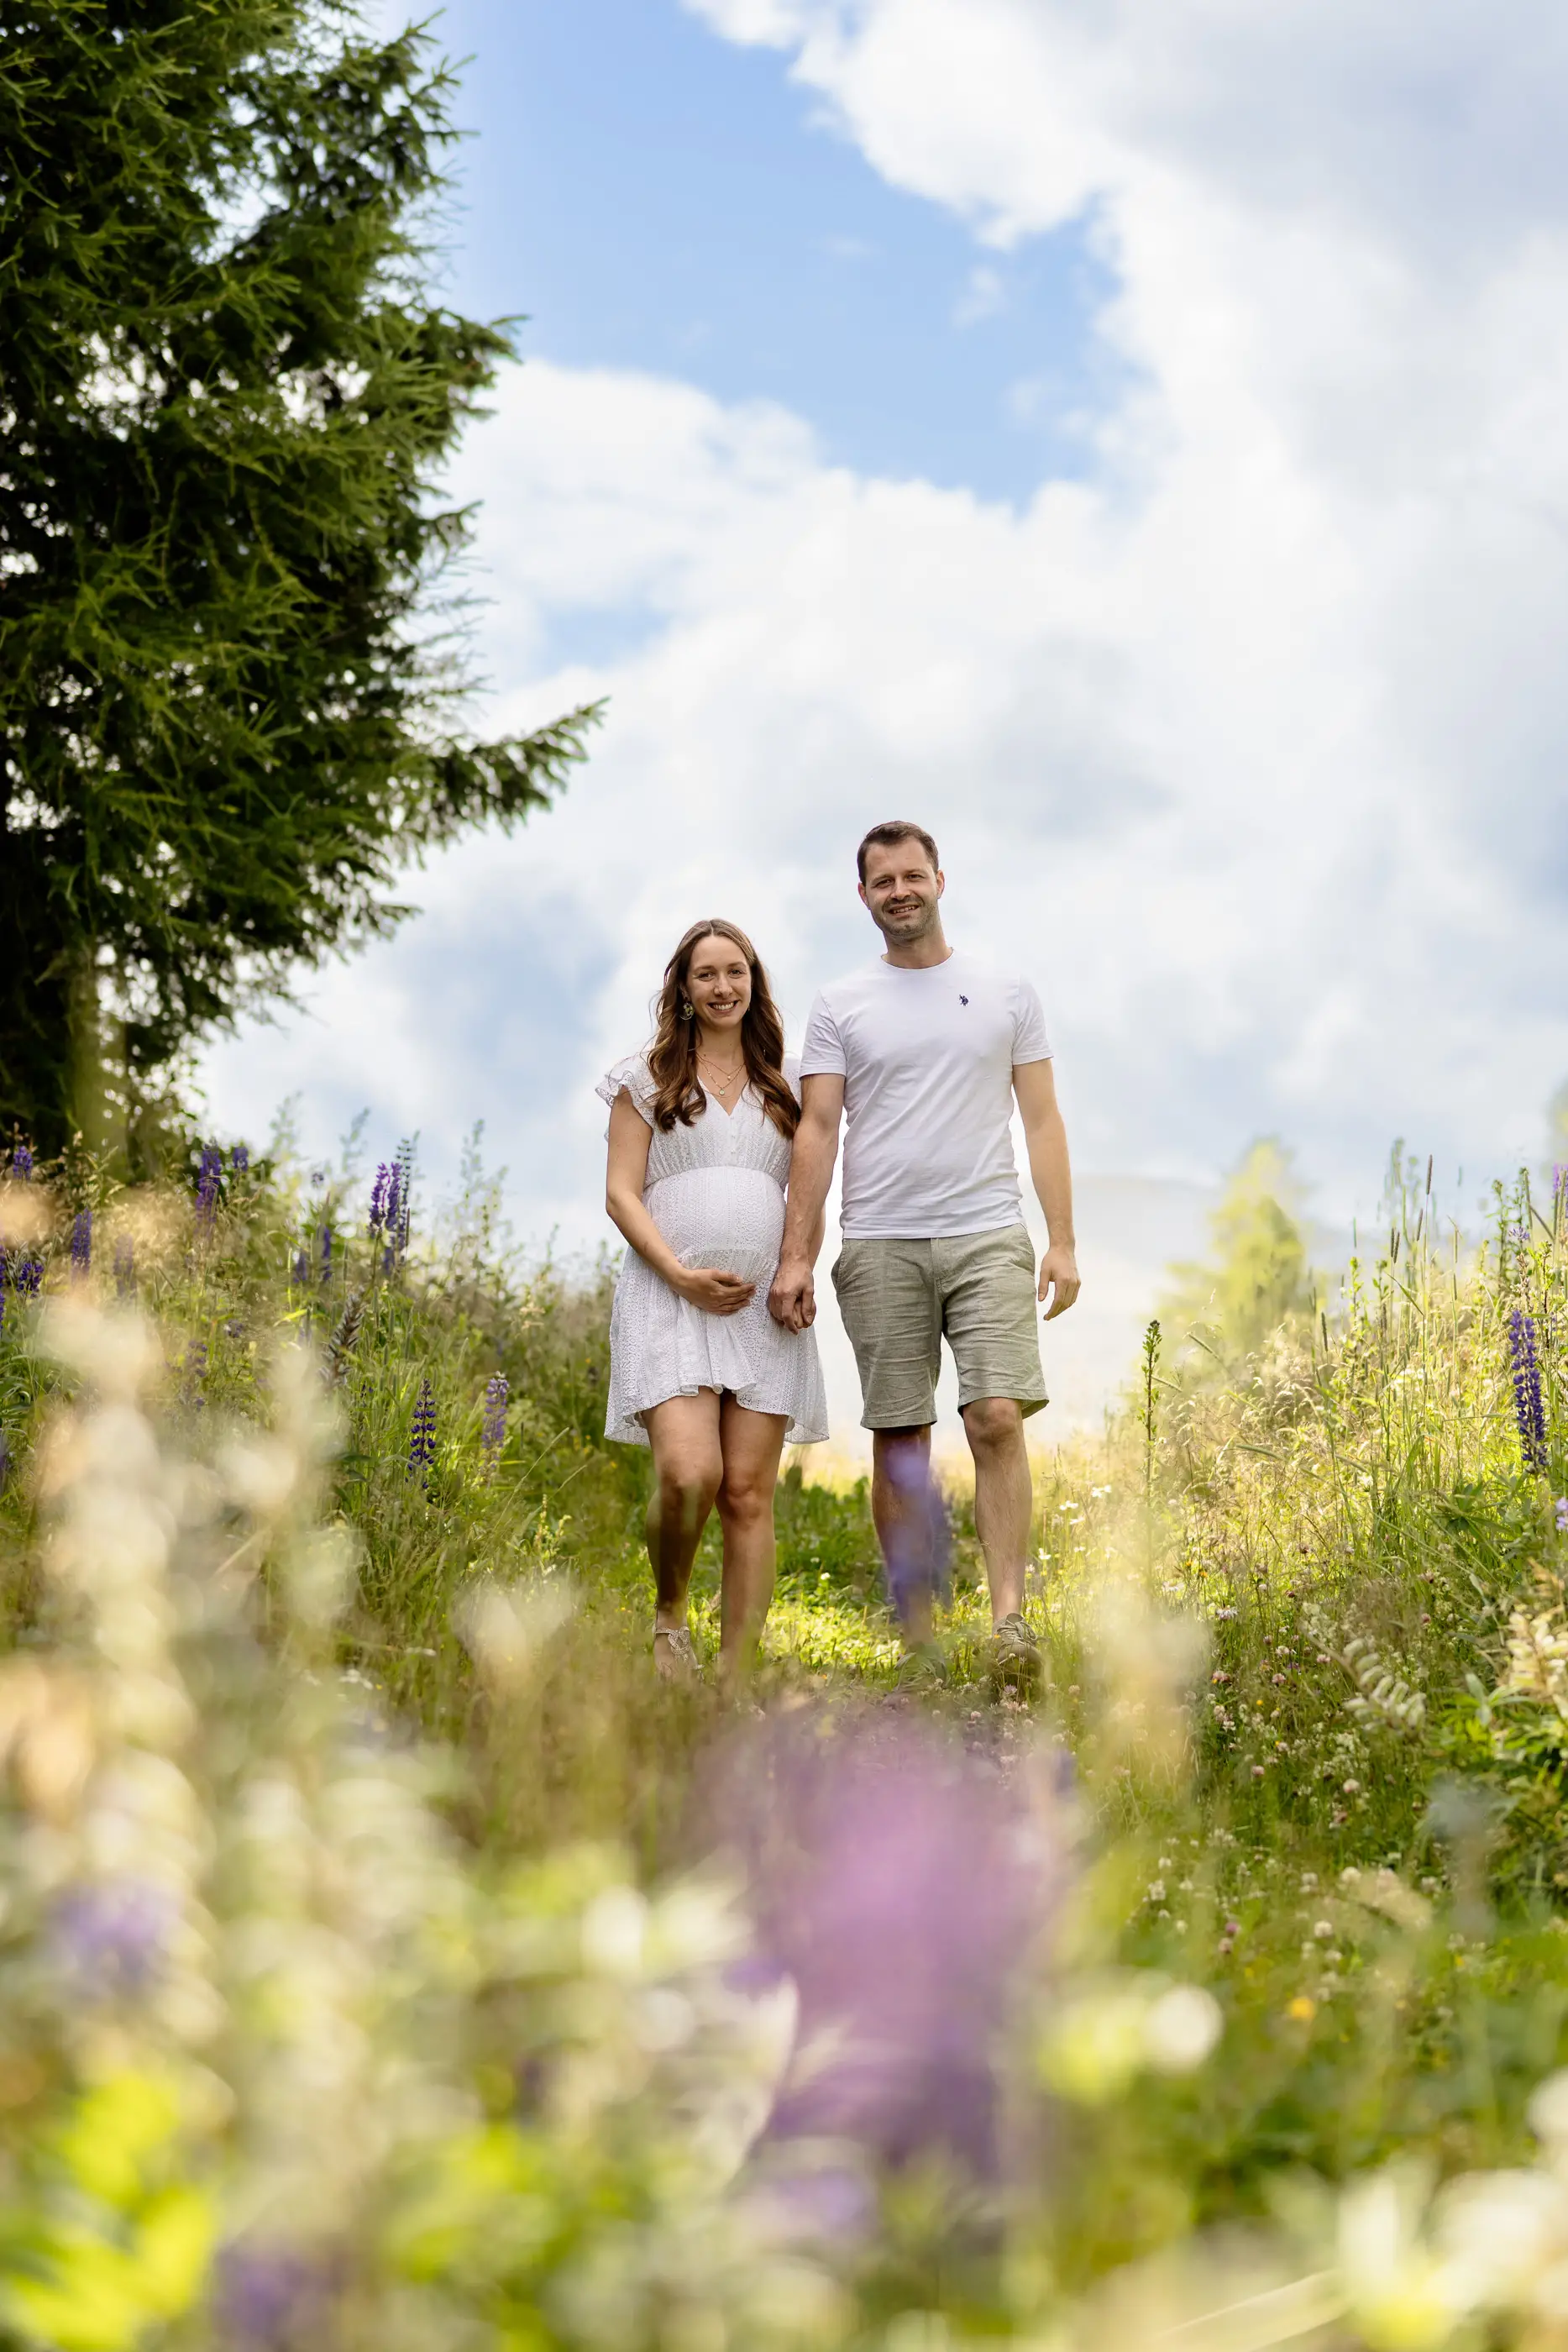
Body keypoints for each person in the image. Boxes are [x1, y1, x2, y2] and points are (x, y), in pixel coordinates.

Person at [768, 822, 1080, 1690]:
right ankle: (917, 1639)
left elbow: (1042, 1119)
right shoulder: (840, 1003)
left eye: (912, 875)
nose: (899, 891)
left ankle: (1009, 1622)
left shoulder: (1006, 991)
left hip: (988, 1231)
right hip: (880, 1240)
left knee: (996, 1418)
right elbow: (817, 1129)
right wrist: (795, 1256)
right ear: (863, 896)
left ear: (940, 879)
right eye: (883, 881)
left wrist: (1061, 1239)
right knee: (902, 1435)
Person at [600, 919, 827, 1683]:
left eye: (736, 972)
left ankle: (736, 1678)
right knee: (689, 1473)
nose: (723, 987)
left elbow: (810, 1192)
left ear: (754, 983)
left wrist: (799, 1267)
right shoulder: (645, 1078)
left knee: (747, 1495)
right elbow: (620, 1195)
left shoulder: (789, 1083)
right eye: (707, 974)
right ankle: (669, 1618)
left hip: (766, 1306)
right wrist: (678, 1273)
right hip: (669, 1298)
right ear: (684, 989)